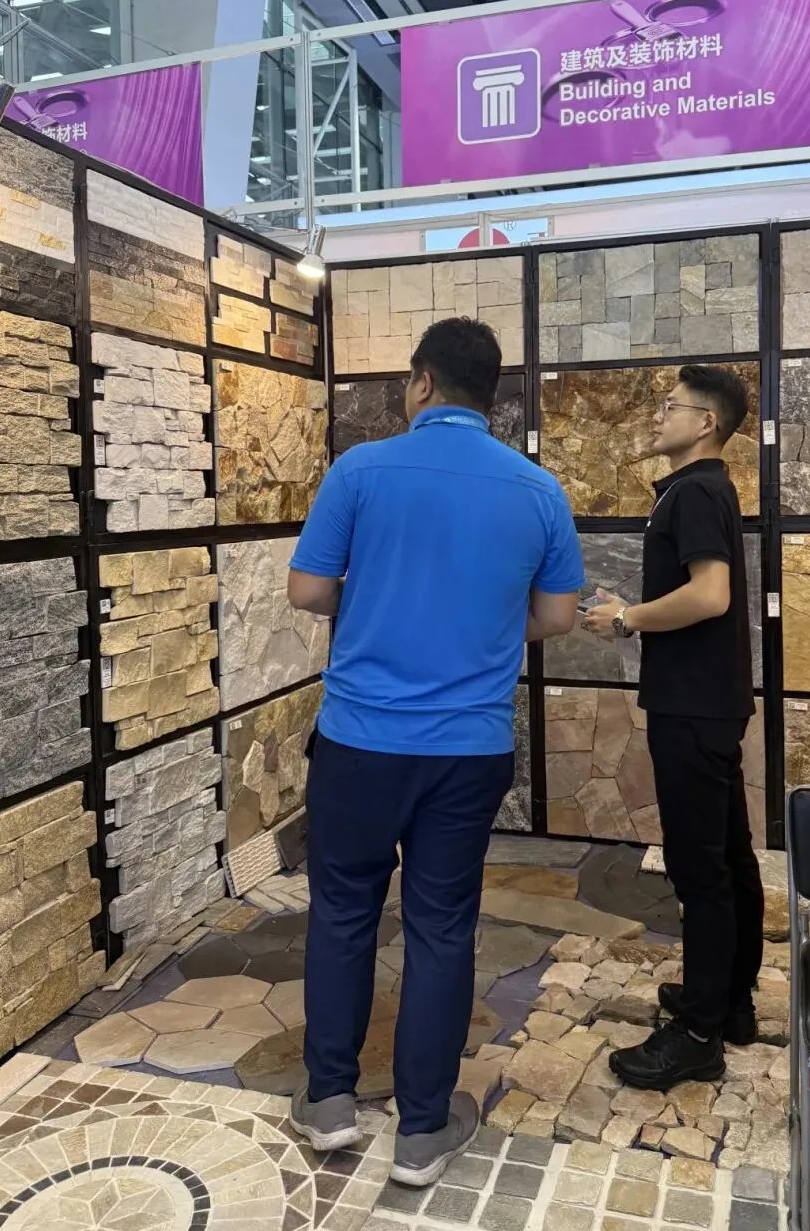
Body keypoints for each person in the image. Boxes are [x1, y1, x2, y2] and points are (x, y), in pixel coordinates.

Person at [286, 317, 584, 1184]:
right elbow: (559, 617)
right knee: (443, 926)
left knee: (342, 913)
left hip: (357, 743)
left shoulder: (360, 470)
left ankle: (329, 1101)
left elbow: (307, 590)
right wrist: (481, 621)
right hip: (468, 750)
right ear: (491, 397)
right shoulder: (538, 490)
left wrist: (372, 596)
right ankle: (422, 1130)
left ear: (421, 383)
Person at [583, 363, 763, 1092]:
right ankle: (726, 1004)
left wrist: (625, 618)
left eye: (671, 406)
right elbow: (700, 594)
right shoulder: (706, 489)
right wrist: (632, 610)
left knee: (699, 868)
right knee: (728, 857)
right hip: (708, 701)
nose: (658, 416)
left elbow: (710, 596)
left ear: (706, 423)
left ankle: (696, 1038)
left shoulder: (695, 491)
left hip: (693, 706)